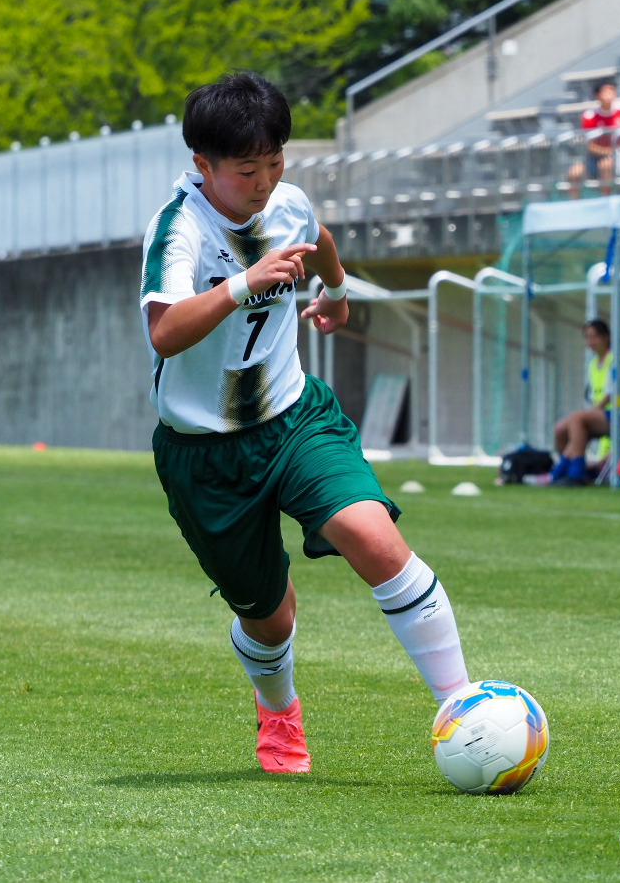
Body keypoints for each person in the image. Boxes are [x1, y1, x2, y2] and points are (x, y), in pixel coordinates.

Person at [141, 72, 470, 774]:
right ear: (203, 165)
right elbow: (164, 331)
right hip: (205, 457)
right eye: (246, 169)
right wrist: (242, 285)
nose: (264, 181)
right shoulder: (179, 230)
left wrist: (339, 293)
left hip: (294, 418)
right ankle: (279, 713)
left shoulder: (285, 203)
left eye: (275, 161)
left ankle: (464, 709)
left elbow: (314, 235)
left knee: (373, 538)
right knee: (270, 615)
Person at [550, 319, 620, 485]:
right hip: (600, 413)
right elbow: (595, 395)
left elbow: (611, 392)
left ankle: (573, 472)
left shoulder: (615, 361)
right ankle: (572, 467)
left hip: (618, 413)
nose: (590, 342)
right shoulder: (593, 364)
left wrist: (592, 411)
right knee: (560, 428)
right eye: (587, 338)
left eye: (594, 337)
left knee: (576, 418)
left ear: (606, 338)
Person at [566, 79, 620, 199]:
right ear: (597, 95)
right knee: (574, 172)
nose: (608, 94)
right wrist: (606, 152)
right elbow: (589, 145)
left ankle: (605, 201)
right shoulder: (589, 116)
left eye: (611, 90)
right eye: (604, 91)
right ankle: (574, 203)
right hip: (595, 158)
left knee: (606, 166)